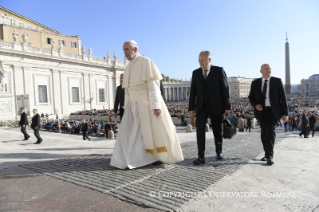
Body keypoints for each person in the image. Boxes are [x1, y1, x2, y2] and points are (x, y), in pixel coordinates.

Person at [110, 40, 183, 169]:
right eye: (124, 50)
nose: (125, 53)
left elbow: (153, 86)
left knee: (152, 131)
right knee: (130, 132)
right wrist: (125, 106)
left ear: (135, 49)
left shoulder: (146, 62)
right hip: (132, 105)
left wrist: (155, 105)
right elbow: (127, 90)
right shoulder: (127, 67)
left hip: (146, 103)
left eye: (127, 49)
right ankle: (133, 156)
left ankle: (154, 156)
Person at [188, 51, 231, 165]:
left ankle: (219, 152)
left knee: (217, 130)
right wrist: (191, 108)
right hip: (201, 106)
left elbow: (225, 90)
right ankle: (201, 156)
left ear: (209, 60)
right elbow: (193, 92)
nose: (200, 62)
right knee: (200, 129)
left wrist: (227, 107)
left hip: (216, 105)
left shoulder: (219, 70)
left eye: (202, 60)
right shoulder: (195, 73)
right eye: (199, 60)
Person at [248, 64, 288, 165]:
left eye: (269, 68)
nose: (268, 70)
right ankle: (266, 154)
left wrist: (285, 114)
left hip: (274, 112)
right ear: (261, 71)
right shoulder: (255, 82)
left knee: (270, 130)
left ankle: (270, 156)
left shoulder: (277, 81)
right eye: (266, 69)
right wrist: (255, 105)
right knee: (264, 133)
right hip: (261, 112)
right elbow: (251, 97)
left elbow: (283, 98)